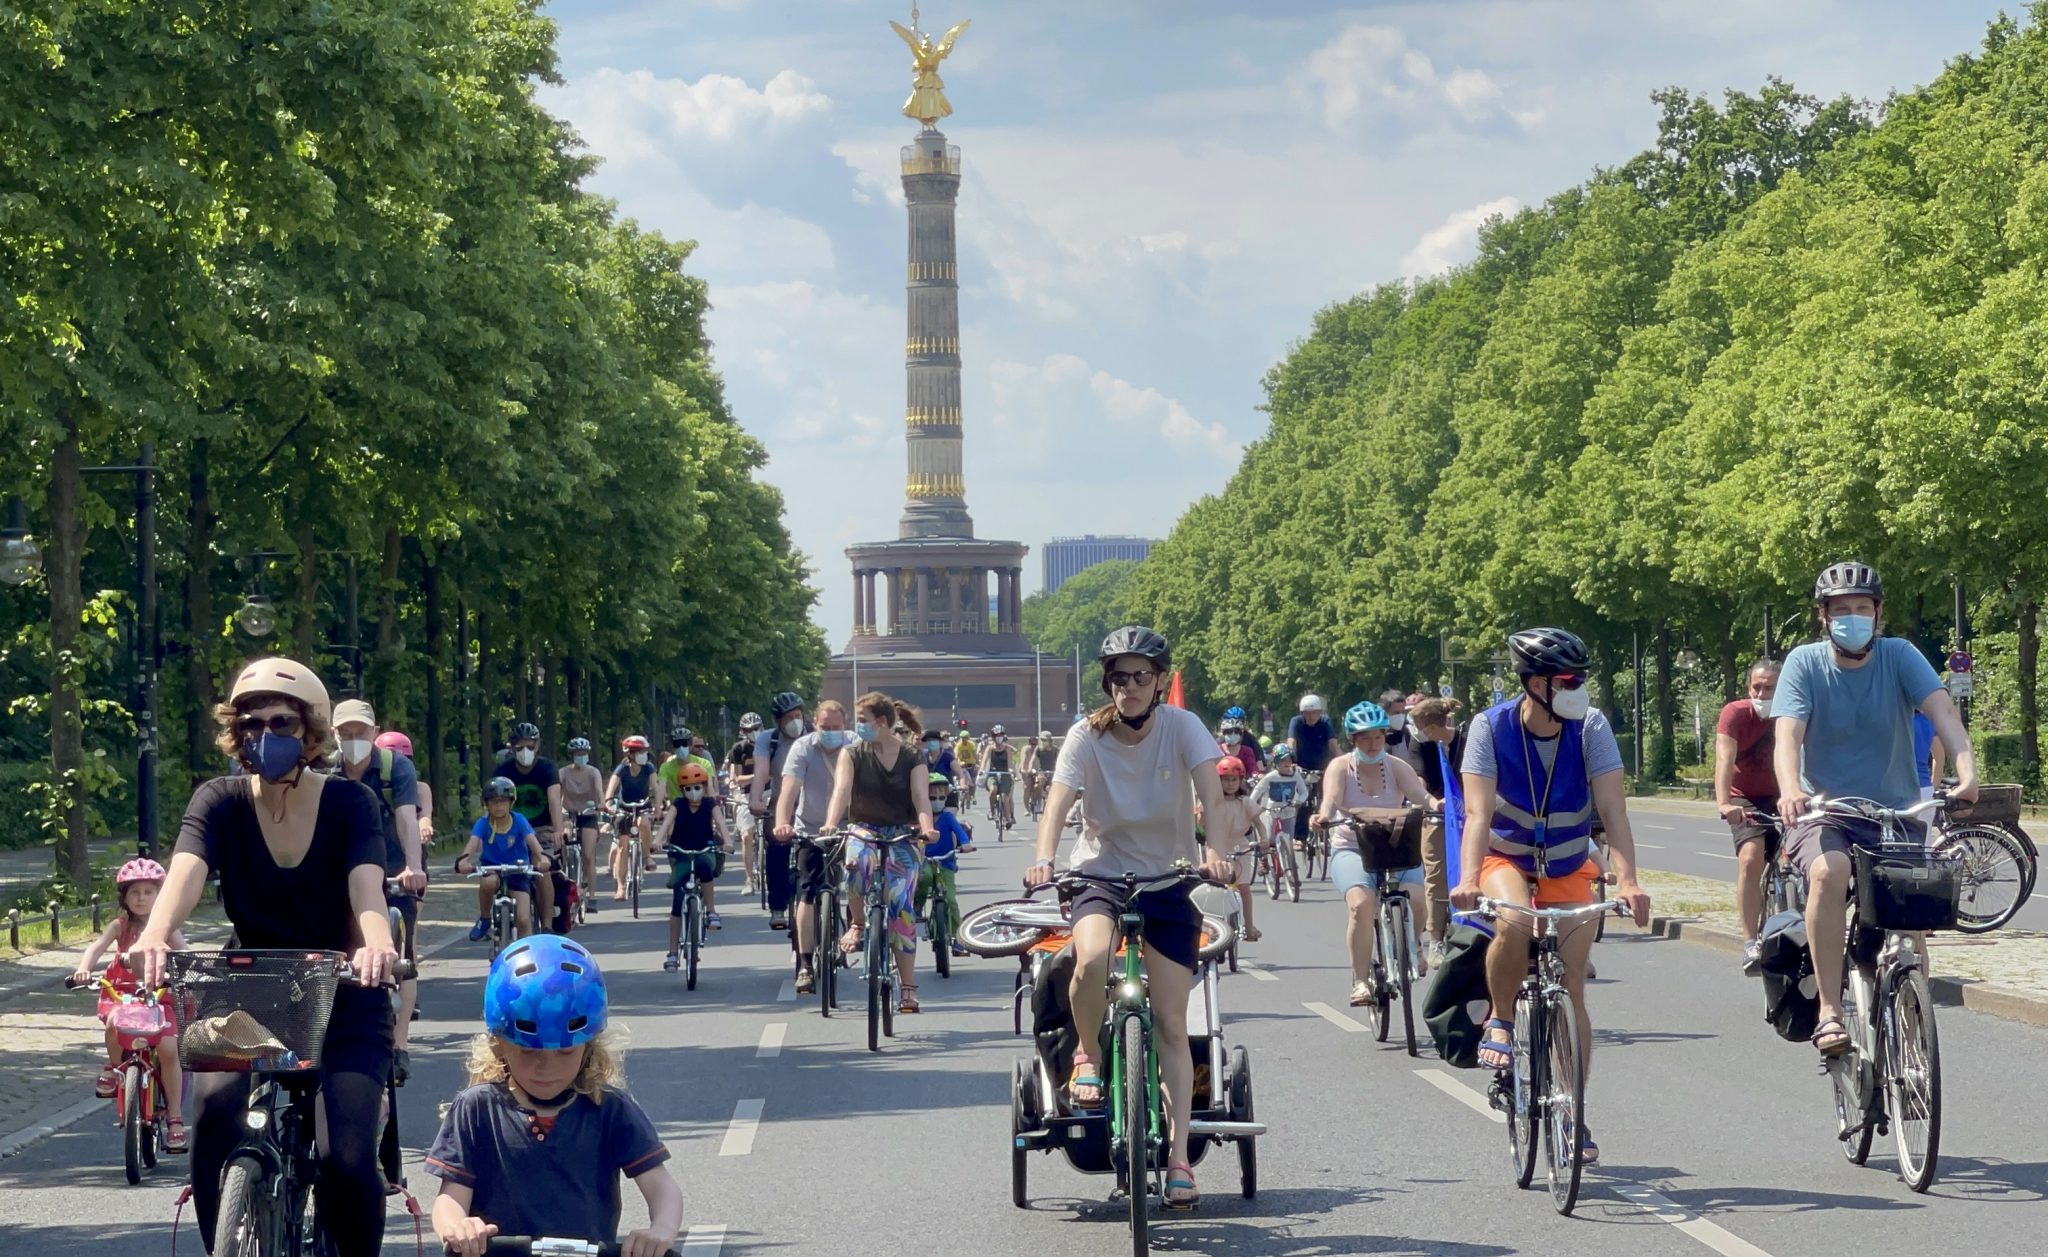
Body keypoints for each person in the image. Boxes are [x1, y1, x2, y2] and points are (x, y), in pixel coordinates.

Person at [131, 657, 401, 1257]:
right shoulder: (219, 801)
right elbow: (185, 874)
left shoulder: (350, 804)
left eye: (281, 722)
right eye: (250, 724)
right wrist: (155, 933)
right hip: (249, 983)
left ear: (311, 733)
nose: (264, 736)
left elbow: (366, 888)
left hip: (344, 987)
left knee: (347, 1158)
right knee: (215, 1111)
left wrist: (377, 944)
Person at [1026, 626, 1233, 1210]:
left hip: (1170, 877)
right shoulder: (1085, 735)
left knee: (1170, 1021)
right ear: (1108, 683)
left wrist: (1213, 852)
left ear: (1160, 680)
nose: (1131, 686)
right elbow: (1059, 802)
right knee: (1090, 957)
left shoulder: (1182, 726)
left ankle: (1178, 1158)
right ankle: (1089, 1054)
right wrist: (1044, 859)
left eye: (1142, 675)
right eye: (1120, 677)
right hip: (1101, 874)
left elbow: (1212, 799)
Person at [1450, 628, 1652, 1167]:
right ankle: (1499, 1016)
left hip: (1568, 860)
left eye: (1582, 678)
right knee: (1514, 921)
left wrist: (1629, 881)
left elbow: (1613, 812)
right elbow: (1477, 814)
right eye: (1567, 679)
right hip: (1504, 858)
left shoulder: (1591, 727)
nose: (1577, 687)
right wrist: (1469, 877)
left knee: (1574, 987)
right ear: (1534, 683)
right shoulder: (1488, 728)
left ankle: (1574, 1111)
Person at [1773, 562, 1975, 1058]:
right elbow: (1787, 737)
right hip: (1826, 810)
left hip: (1897, 811)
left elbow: (1942, 710)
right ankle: (1829, 1011)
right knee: (1829, 871)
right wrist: (1788, 788)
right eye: (1841, 610)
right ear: (1823, 617)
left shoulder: (1900, 656)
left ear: (1878, 613)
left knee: (1908, 921)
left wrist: (1968, 772)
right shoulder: (1804, 663)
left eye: (1861, 609)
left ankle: (1911, 1024)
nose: (1852, 618)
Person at [427, 936, 682, 1257]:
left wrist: (661, 1230)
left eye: (564, 1052)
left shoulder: (608, 1108)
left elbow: (661, 1186)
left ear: (588, 1047)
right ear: (499, 1044)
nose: (546, 1067)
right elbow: (451, 1195)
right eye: (528, 1052)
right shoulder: (477, 1108)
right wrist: (457, 1226)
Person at [821, 692, 937, 1014]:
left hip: (902, 832)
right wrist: (831, 823)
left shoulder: (912, 756)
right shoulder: (853, 753)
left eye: (862, 720)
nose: (858, 726)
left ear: (881, 722)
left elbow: (920, 797)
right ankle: (858, 922)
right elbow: (842, 790)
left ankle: (908, 988)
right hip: (865, 828)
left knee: (901, 907)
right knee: (856, 863)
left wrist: (926, 827)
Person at [1314, 701, 1434, 1003]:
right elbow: (1330, 800)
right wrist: (1323, 816)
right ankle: (1361, 979)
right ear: (1352, 739)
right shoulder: (1340, 767)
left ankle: (1414, 944)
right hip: (1353, 847)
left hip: (1396, 847)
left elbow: (1420, 795)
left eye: (1378, 737)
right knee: (1361, 904)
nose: (1372, 744)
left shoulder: (1396, 766)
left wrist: (1437, 806)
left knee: (1418, 899)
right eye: (1365, 737)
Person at [332, 699, 429, 1075]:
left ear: (374, 734)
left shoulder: (395, 768)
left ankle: (400, 1043)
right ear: (334, 735)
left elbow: (407, 818)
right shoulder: (322, 769)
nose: (353, 739)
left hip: (391, 871)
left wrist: (414, 866)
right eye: (346, 733)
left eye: (360, 732)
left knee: (400, 958)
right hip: (340, 875)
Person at [73, 858, 188, 1152]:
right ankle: (114, 1067)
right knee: (113, 1024)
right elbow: (95, 948)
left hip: (160, 996)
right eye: (134, 892)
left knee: (168, 1048)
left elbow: (186, 953)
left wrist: (186, 973)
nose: (141, 898)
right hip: (123, 995)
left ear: (160, 897)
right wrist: (84, 968)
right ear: (124, 896)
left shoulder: (167, 928)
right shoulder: (119, 926)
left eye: (149, 892)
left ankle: (175, 1118)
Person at [774, 700, 849, 994]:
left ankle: (856, 930)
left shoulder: (854, 745)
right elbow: (789, 790)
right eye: (824, 727)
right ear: (814, 725)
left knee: (860, 881)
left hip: (848, 827)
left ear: (845, 726)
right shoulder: (803, 747)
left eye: (836, 728)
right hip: (810, 829)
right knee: (807, 892)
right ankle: (806, 963)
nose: (830, 732)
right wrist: (782, 822)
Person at [1713, 659, 1784, 969]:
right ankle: (1751, 941)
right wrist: (1724, 803)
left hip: (1785, 794)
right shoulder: (1736, 714)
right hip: (1745, 797)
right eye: (1757, 686)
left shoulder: (1792, 710)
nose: (1762, 692)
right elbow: (1724, 758)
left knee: (1808, 863)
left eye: (1770, 687)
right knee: (1751, 858)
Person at [653, 761, 731, 966]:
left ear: (705, 787)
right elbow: (667, 823)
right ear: (682, 790)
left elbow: (721, 823)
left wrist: (728, 841)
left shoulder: (710, 804)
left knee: (706, 869)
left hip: (705, 850)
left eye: (697, 787)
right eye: (688, 788)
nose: (693, 792)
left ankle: (711, 911)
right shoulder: (678, 805)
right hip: (680, 853)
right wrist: (658, 840)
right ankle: (672, 952)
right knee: (678, 900)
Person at [455, 777, 552, 939]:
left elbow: (534, 844)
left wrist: (543, 859)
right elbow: (472, 845)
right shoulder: (483, 823)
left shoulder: (519, 820)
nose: (498, 806)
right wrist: (464, 861)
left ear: (511, 803)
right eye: (493, 802)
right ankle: (485, 919)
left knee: (523, 918)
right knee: (487, 883)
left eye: (502, 801)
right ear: (486, 804)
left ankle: (524, 952)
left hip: (518, 870)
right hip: (492, 868)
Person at [1410, 697, 1467, 960]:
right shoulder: (1419, 743)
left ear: (1431, 726)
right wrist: (1428, 800)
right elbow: (1418, 776)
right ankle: (1435, 938)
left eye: (1421, 727)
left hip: (1469, 815)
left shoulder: (1466, 741)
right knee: (1435, 874)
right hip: (1437, 813)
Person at [496, 722, 565, 933]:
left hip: (542, 829)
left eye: (530, 746)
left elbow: (554, 800)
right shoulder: (503, 770)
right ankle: (495, 918)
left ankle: (547, 924)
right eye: (520, 747)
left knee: (541, 870)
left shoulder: (547, 768)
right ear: (512, 747)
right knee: (498, 871)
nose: (525, 751)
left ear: (538, 746)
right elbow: (491, 802)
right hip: (510, 831)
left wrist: (558, 830)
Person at [749, 691, 809, 930]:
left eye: (798, 715)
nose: (795, 721)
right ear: (778, 721)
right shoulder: (768, 740)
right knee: (776, 847)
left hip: (812, 803)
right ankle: (778, 907)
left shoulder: (815, 736)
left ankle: (827, 897)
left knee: (821, 851)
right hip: (779, 802)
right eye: (788, 717)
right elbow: (761, 773)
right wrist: (755, 799)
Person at [1200, 757, 1264, 943]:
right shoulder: (1213, 802)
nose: (1230, 784)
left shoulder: (1245, 802)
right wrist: (1201, 814)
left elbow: (1259, 824)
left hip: (1240, 847)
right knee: (1214, 887)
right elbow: (1200, 825)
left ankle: (1249, 926)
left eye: (1234, 779)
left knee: (1244, 888)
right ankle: (1210, 926)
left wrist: (1265, 840)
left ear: (1241, 780)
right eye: (1225, 779)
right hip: (1217, 847)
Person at [915, 771, 973, 956]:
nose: (937, 800)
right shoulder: (921, 818)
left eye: (941, 797)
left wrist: (965, 844)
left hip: (946, 862)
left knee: (951, 900)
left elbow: (960, 832)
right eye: (932, 797)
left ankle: (958, 938)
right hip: (924, 861)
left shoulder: (948, 817)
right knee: (923, 880)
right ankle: (917, 907)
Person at [557, 736, 605, 921]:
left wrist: (600, 804)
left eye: (583, 753)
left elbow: (599, 790)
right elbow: (555, 792)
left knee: (588, 855)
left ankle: (592, 897)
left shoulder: (593, 772)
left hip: (588, 815)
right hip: (569, 814)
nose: (581, 757)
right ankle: (564, 881)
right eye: (577, 754)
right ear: (572, 755)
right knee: (562, 844)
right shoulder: (563, 773)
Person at [605, 735, 659, 899]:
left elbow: (655, 787)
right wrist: (607, 803)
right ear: (631, 754)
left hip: (643, 805)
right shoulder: (622, 768)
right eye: (640, 751)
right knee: (622, 845)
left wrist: (657, 807)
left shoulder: (648, 768)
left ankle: (647, 856)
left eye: (645, 751)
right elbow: (611, 786)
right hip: (624, 807)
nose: (644, 754)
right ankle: (620, 888)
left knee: (643, 822)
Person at [1287, 693, 1339, 850]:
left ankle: (1329, 833)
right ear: (1302, 713)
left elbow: (1333, 744)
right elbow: (1291, 742)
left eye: (1314, 712)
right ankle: (1300, 838)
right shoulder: (1296, 722)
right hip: (1303, 765)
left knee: (1327, 799)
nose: (1310, 716)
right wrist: (1291, 760)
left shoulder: (1325, 721)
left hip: (1323, 765)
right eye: (1307, 713)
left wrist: (1340, 761)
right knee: (1306, 801)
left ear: (1320, 712)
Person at [726, 712, 763, 895]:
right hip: (747, 794)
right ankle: (749, 879)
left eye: (756, 728)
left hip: (769, 793)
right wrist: (758, 776)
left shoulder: (770, 745)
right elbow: (739, 779)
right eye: (749, 730)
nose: (754, 732)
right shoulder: (738, 749)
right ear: (743, 731)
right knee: (747, 835)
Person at [1380, 689, 1425, 774]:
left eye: (1403, 712)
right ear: (1385, 714)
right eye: (1396, 713)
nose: (1400, 716)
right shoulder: (1374, 738)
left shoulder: (1412, 734)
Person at [981, 724, 1017, 826]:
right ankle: (992, 812)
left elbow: (1010, 764)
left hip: (1005, 774)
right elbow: (984, 761)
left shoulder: (1007, 749)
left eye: (1001, 735)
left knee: (1005, 797)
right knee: (993, 789)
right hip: (992, 774)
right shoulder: (990, 748)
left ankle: (1007, 819)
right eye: (997, 735)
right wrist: (982, 771)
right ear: (993, 737)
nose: (999, 737)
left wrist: (1011, 772)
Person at [1218, 710, 1259, 778]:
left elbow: (1253, 769)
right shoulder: (1217, 750)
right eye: (1229, 732)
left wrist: (1256, 775)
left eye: (1236, 732)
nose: (1233, 735)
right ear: (1224, 733)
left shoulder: (1247, 751)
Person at [953, 722, 980, 805]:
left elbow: (975, 755)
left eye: (965, 738)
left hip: (971, 764)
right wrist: (958, 763)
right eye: (962, 738)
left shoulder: (971, 744)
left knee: (973, 782)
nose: (964, 740)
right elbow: (956, 756)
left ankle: (972, 795)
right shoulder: (958, 745)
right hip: (963, 765)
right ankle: (963, 793)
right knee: (963, 780)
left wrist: (978, 763)